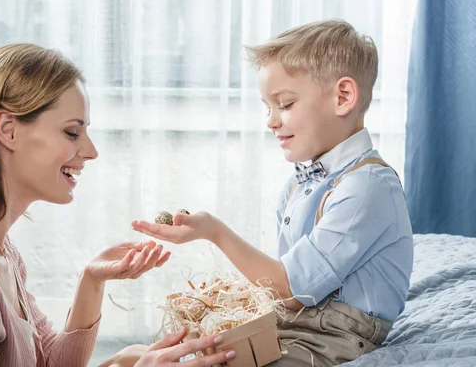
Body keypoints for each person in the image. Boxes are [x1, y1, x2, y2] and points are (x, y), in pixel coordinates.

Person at [0, 44, 236, 367]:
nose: (91, 150)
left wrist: (91, 281)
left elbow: (49, 361)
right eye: (71, 132)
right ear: (8, 129)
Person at [133, 19, 414, 366]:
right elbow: (283, 294)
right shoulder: (299, 185)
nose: (270, 121)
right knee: (158, 354)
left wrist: (215, 233)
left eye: (285, 104)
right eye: (267, 107)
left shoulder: (367, 187)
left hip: (335, 338)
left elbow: (293, 291)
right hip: (295, 325)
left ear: (343, 97)